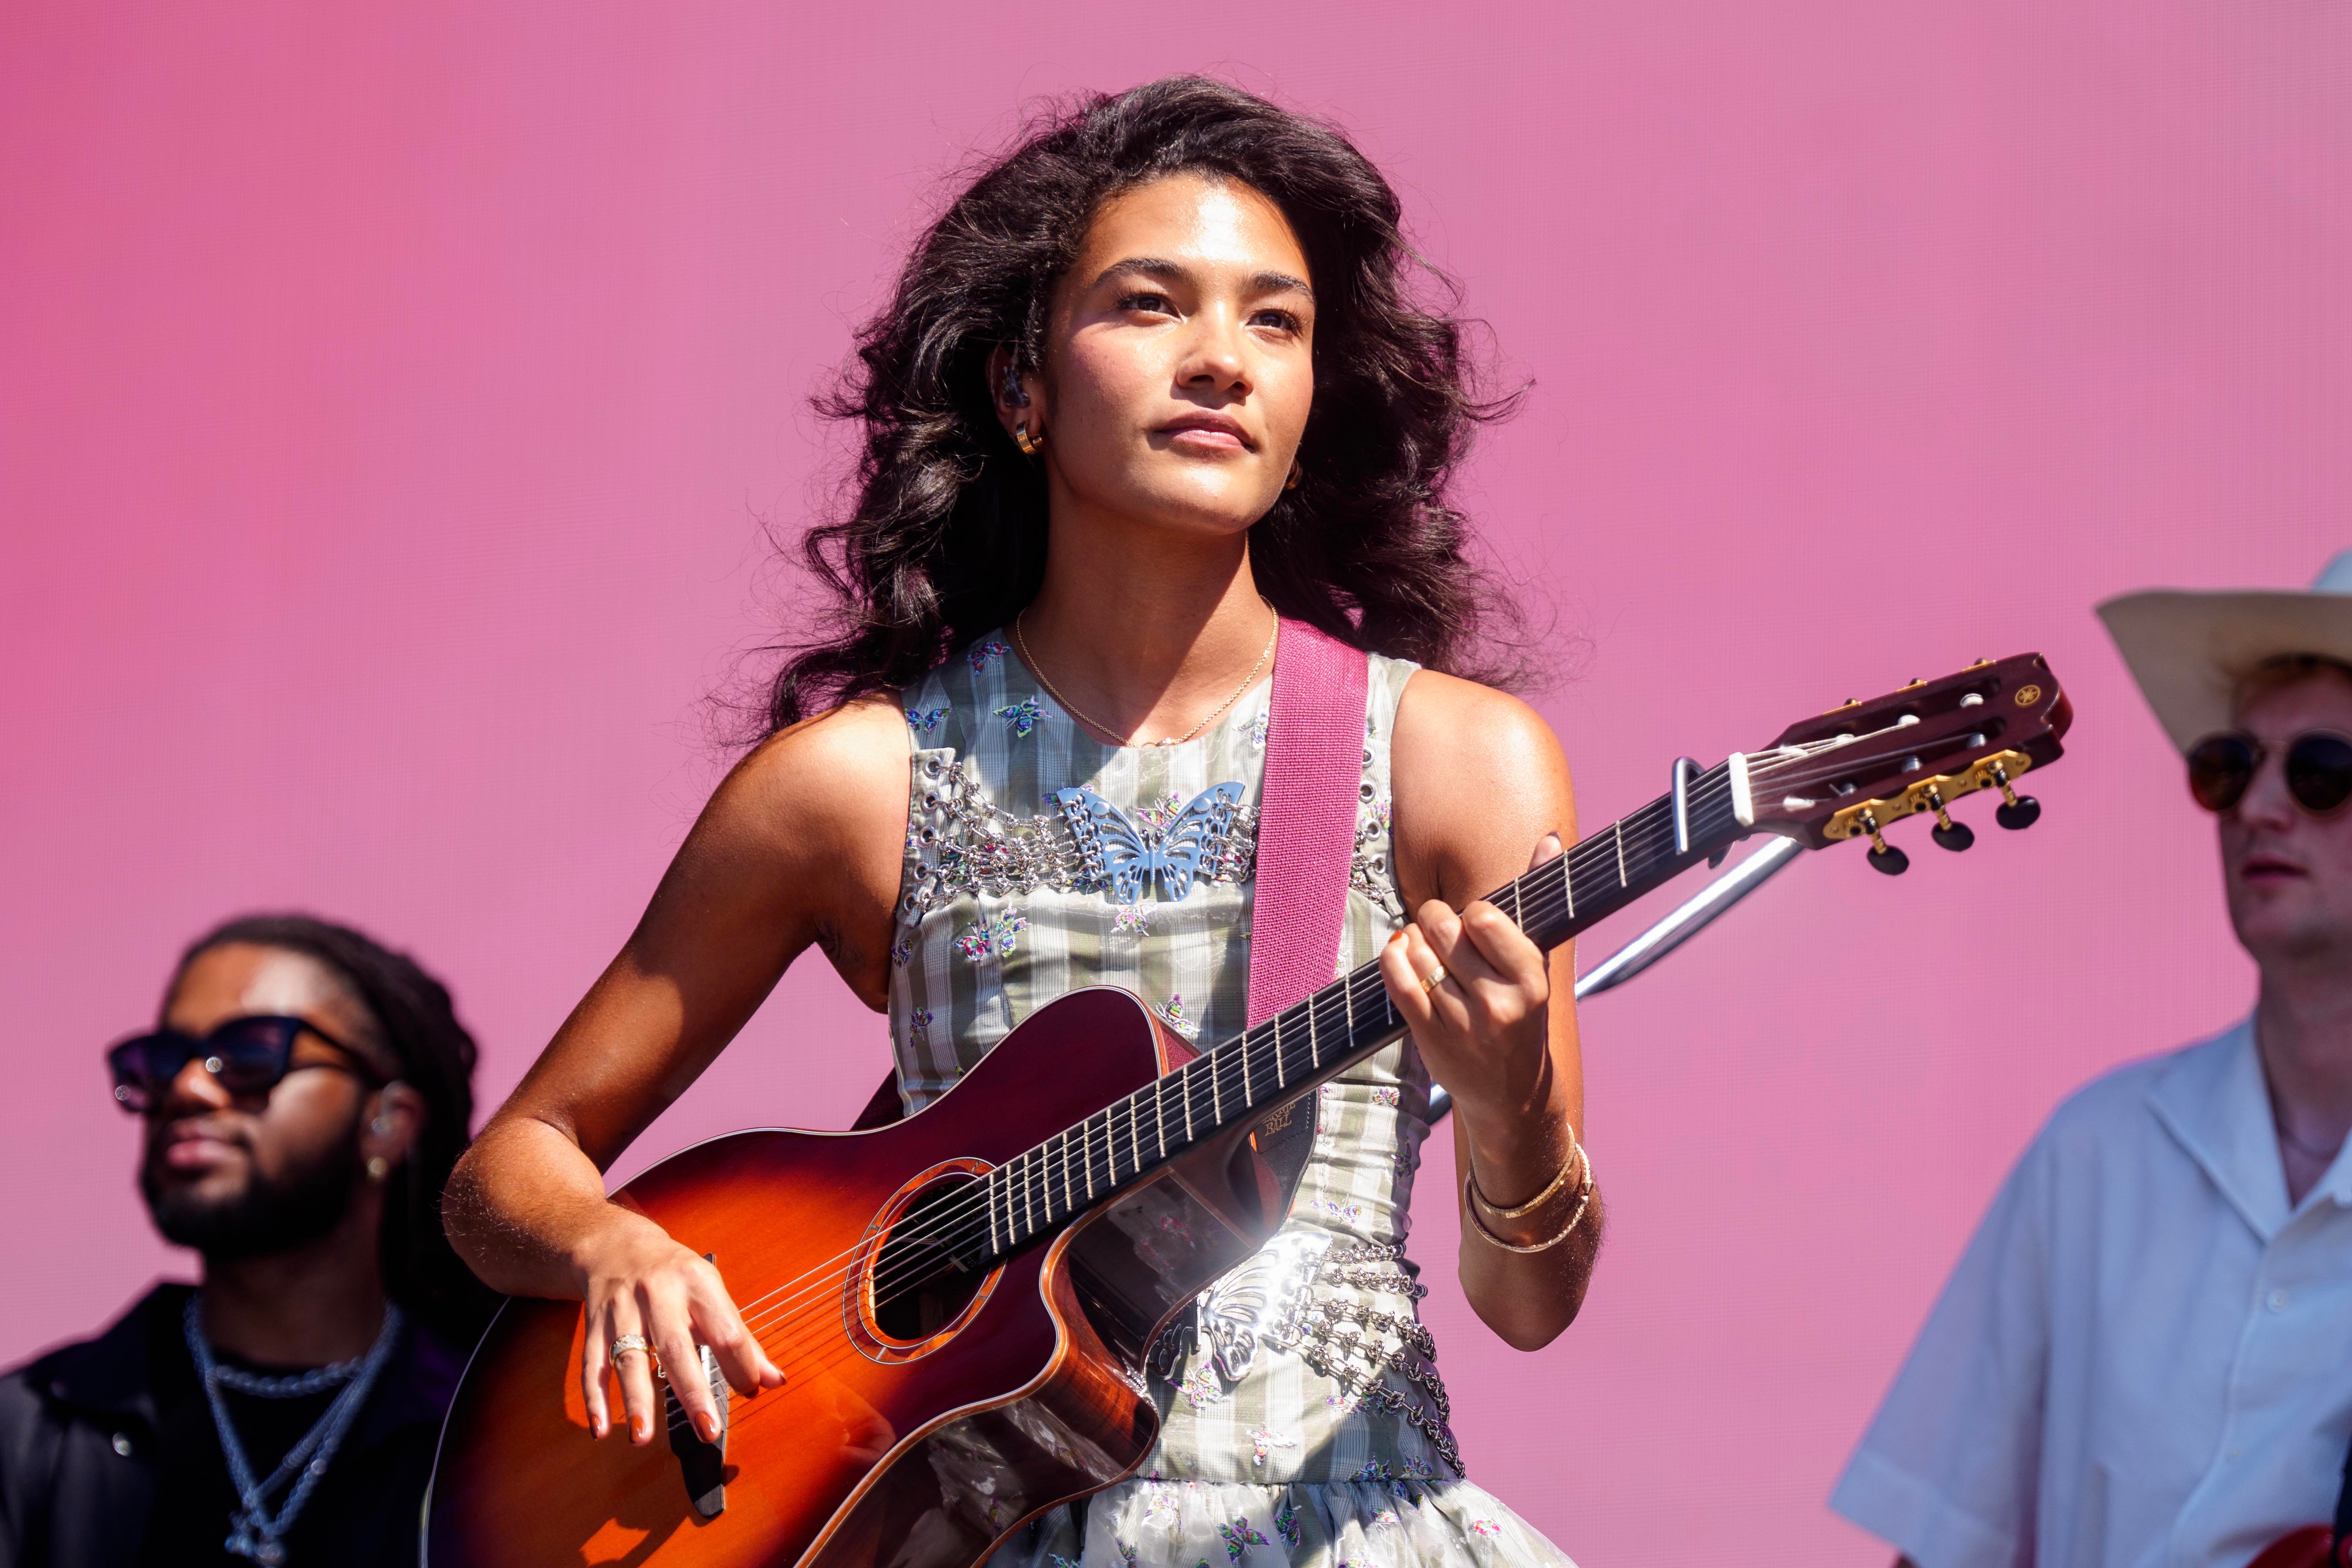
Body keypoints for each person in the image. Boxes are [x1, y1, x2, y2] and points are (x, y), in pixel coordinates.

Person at [445, 77, 1602, 1568]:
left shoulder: (1460, 759)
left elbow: (1534, 1306)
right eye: (1148, 306)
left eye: (1275, 322)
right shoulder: (855, 784)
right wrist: (613, 1247)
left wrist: (1511, 1108)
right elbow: (506, 1174)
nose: (1220, 363)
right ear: (1021, 390)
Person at [1830, 553, 2352, 1568]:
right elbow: (1944, 1545)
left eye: (2323, 771)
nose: (2258, 808)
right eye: (2230, 766)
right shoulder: (2098, 1150)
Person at [0, 914, 496, 1567]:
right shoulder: (36, 1426)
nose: (189, 1088)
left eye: (251, 1053)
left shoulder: (485, 1434)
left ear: (387, 1122)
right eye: (162, 1063)